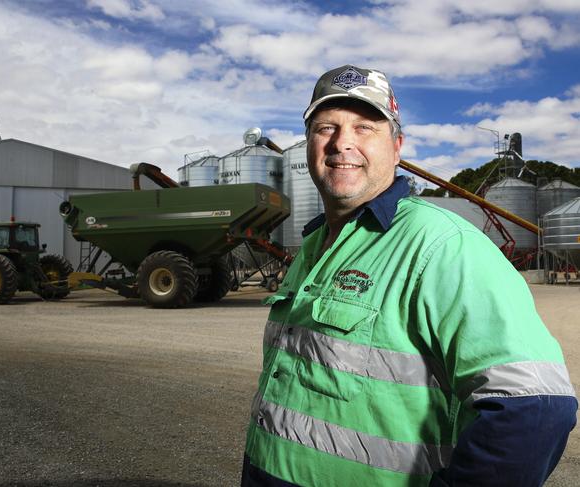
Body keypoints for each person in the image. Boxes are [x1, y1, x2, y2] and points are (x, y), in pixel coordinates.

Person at [241, 65, 577, 487]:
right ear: (309, 143)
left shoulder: (441, 245)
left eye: (365, 128)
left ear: (396, 148)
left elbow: (536, 407)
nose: (342, 143)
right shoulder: (313, 246)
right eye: (326, 127)